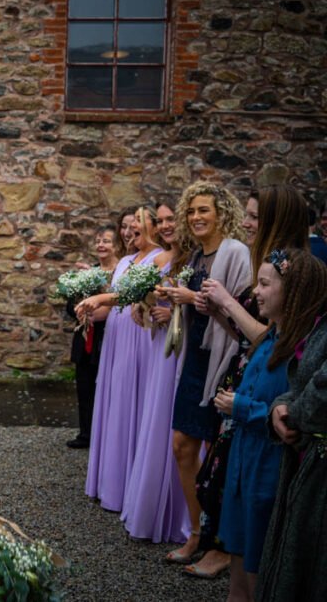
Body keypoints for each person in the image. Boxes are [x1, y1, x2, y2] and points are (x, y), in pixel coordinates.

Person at [195, 185, 310, 579]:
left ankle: (234, 559)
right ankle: (225, 552)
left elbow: (276, 339)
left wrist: (227, 302)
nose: (246, 222)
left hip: (265, 393)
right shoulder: (266, 264)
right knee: (224, 481)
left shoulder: (296, 270)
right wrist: (216, 312)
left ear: (276, 220)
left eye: (255, 216)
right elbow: (247, 336)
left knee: (245, 491)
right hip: (245, 379)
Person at [156, 181, 249, 566]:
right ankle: (195, 532)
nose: (196, 217)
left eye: (204, 210)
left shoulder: (236, 253)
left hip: (223, 362)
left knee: (216, 454)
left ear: (222, 213)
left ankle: (220, 545)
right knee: (183, 445)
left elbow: (244, 315)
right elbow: (198, 306)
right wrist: (174, 300)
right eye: (191, 211)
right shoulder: (197, 256)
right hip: (195, 359)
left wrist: (191, 298)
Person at [209, 249, 299, 602]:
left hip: (266, 465)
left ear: (290, 292)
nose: (256, 292)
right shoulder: (271, 339)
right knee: (238, 550)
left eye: (264, 284)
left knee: (257, 558)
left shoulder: (298, 349)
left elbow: (292, 417)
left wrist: (241, 406)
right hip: (242, 461)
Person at [77, 207, 162, 512]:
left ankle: (129, 484)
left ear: (153, 227)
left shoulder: (160, 258)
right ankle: (109, 482)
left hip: (139, 339)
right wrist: (90, 310)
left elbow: (131, 297)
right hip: (115, 336)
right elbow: (114, 303)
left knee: (132, 402)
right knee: (113, 402)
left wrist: (100, 299)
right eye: (126, 228)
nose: (129, 232)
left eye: (136, 227)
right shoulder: (125, 261)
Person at [255, 250, 327, 601]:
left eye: (265, 283)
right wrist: (279, 408)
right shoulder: (316, 328)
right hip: (303, 460)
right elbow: (298, 386)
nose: (256, 291)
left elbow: (320, 392)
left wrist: (291, 413)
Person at [119, 202, 192, 543]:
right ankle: (150, 506)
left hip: (182, 351)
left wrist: (174, 310)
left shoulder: (194, 260)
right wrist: (145, 307)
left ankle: (183, 517)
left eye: (169, 219)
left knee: (175, 429)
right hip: (160, 348)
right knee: (157, 422)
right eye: (160, 221)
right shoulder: (162, 260)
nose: (164, 226)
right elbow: (147, 302)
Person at [65, 224, 118, 449]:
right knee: (85, 386)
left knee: (108, 388)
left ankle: (107, 436)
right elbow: (69, 306)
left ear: (117, 245)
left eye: (106, 240)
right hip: (85, 340)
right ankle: (86, 433)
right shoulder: (89, 272)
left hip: (109, 337)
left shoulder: (121, 273)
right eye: (98, 240)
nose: (100, 245)